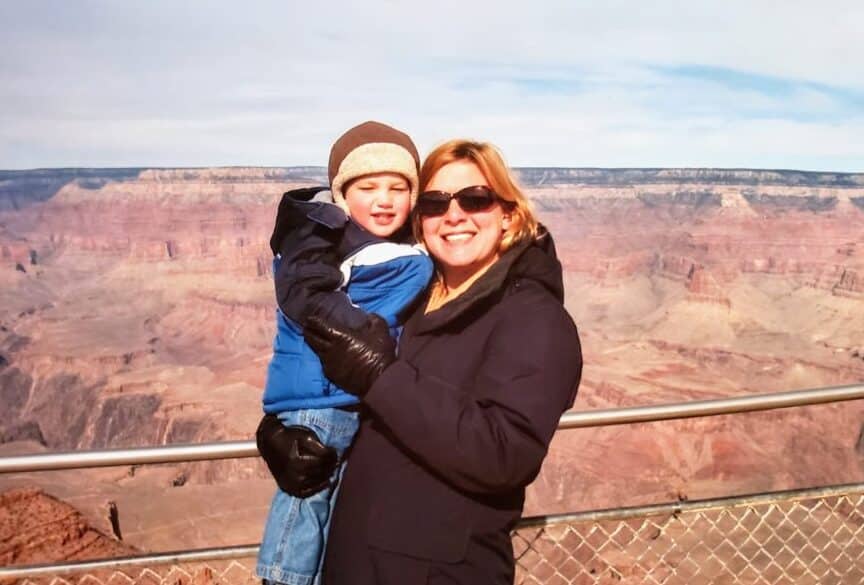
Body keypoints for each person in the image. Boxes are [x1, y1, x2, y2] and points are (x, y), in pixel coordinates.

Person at [298, 139, 584, 584]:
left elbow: (505, 453)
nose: (454, 216)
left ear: (508, 213)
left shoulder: (534, 319)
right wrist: (283, 432)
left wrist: (381, 376)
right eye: (434, 203)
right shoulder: (410, 297)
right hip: (355, 561)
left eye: (476, 199)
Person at [255, 121, 434, 585]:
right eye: (368, 186)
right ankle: (283, 579)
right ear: (341, 196)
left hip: (336, 396)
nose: (384, 198)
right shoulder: (336, 246)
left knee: (328, 503)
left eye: (399, 187)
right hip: (323, 398)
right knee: (308, 493)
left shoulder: (358, 245)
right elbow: (310, 298)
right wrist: (367, 340)